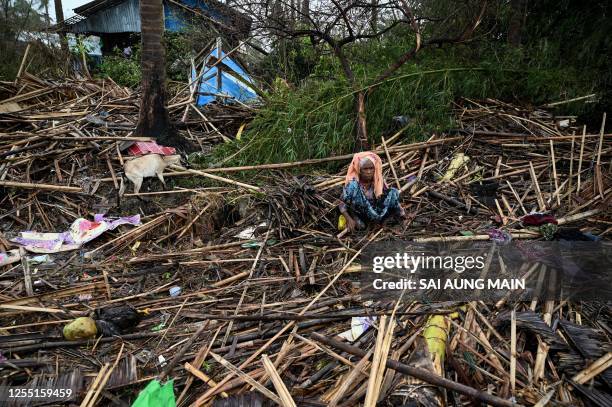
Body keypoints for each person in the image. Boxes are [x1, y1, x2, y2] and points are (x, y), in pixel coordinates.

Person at [339, 151, 406, 232]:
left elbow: (389, 198)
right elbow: (342, 203)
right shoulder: (354, 185)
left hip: (375, 212)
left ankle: (384, 221)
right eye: (365, 169)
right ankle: (359, 219)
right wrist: (349, 219)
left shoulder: (378, 181)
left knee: (393, 192)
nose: (369, 172)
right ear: (359, 169)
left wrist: (401, 213)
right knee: (360, 226)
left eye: (371, 168)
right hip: (361, 214)